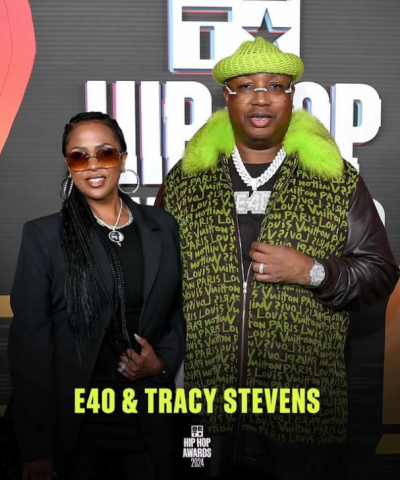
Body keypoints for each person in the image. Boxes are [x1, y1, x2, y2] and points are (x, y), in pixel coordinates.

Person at [156, 37, 399, 479]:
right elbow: (156, 281)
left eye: (275, 86)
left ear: (291, 96)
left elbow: (380, 271)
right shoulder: (186, 180)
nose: (261, 97)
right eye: (246, 86)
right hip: (205, 405)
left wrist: (314, 271)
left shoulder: (335, 179)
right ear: (227, 97)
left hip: (301, 408)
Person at [8, 112, 185, 480]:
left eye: (104, 153)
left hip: (148, 423)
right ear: (68, 166)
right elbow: (30, 347)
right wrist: (38, 448)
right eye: (79, 156)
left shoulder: (162, 226)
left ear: (122, 158)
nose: (93, 165)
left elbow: (178, 312)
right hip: (74, 431)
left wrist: (161, 363)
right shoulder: (44, 236)